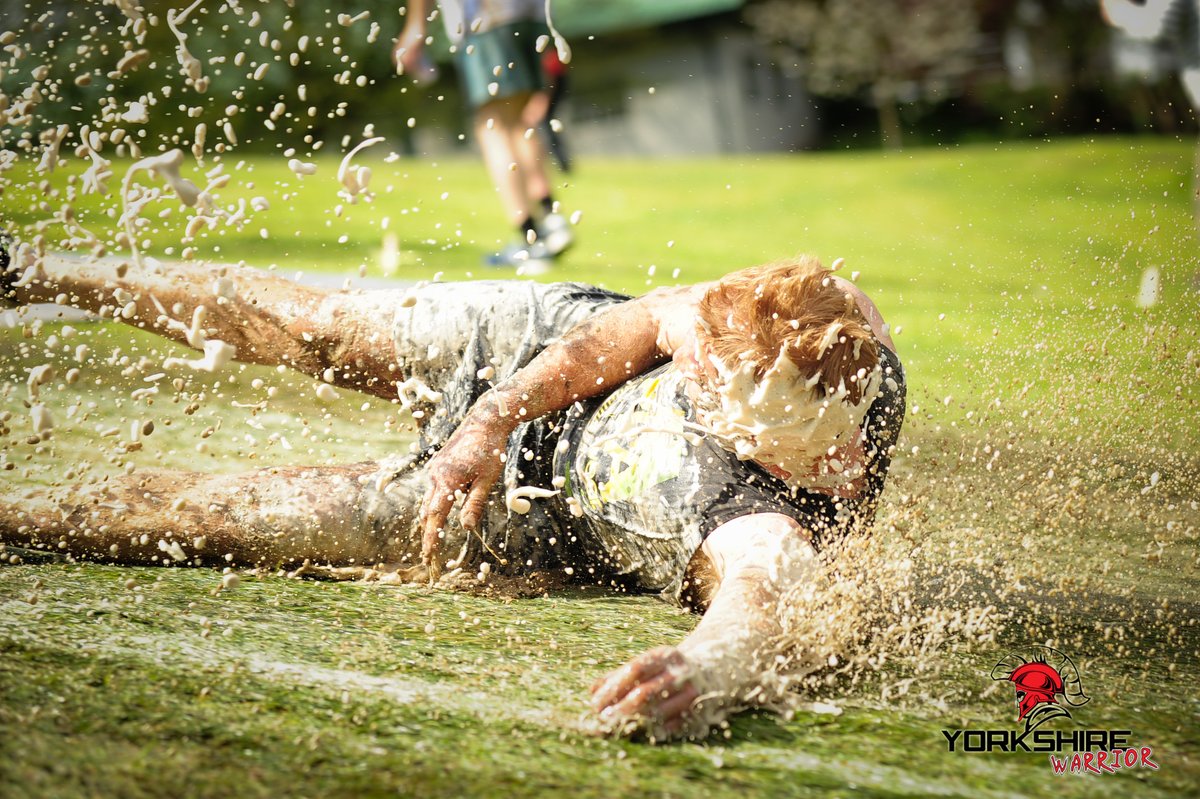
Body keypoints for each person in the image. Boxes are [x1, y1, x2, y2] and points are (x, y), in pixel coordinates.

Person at [0, 244, 905, 739]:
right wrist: (488, 418)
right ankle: (34, 267)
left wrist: (699, 670)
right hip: (539, 347)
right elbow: (639, 325)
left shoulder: (768, 521)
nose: (689, 367)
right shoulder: (803, 312)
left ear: (788, 447)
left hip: (536, 517)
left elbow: (759, 609)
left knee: (233, 518)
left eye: (705, 387)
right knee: (312, 323)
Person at [393, 0, 574, 270]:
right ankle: (551, 220)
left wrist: (416, 28)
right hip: (530, 15)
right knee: (519, 123)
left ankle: (530, 238)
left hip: (485, 19)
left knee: (493, 127)